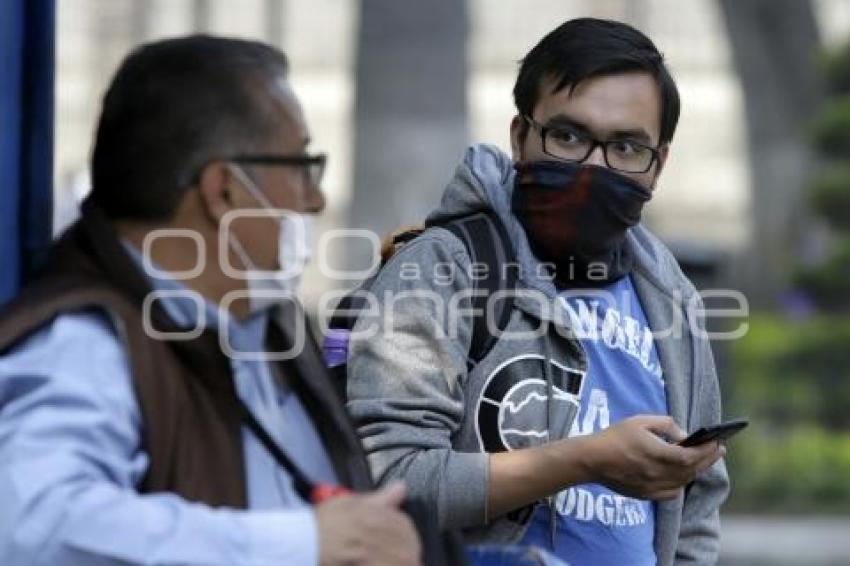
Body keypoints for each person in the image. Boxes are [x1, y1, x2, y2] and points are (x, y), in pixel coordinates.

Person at [0, 35, 420, 566]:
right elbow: (32, 529)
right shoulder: (87, 342)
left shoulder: (269, 328)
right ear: (224, 191)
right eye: (300, 166)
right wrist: (303, 543)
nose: (315, 199)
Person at [346, 18, 729, 565]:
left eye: (625, 147)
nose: (594, 167)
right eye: (568, 136)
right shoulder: (444, 269)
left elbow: (697, 505)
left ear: (658, 165)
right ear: (519, 137)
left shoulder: (670, 294)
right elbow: (389, 481)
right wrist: (582, 460)